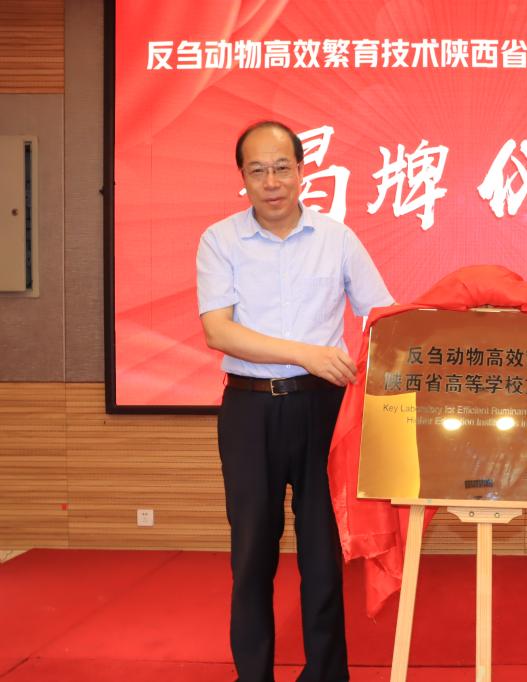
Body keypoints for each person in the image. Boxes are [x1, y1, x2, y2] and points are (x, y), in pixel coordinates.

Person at [196, 120, 394, 682]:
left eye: (282, 168)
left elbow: (381, 315)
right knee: (251, 554)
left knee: (323, 557)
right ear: (242, 177)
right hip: (249, 411)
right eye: (257, 170)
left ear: (303, 171)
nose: (271, 182)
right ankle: (253, 675)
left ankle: (326, 674)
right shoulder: (220, 240)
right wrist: (307, 353)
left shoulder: (337, 239)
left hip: (322, 411)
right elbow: (218, 330)